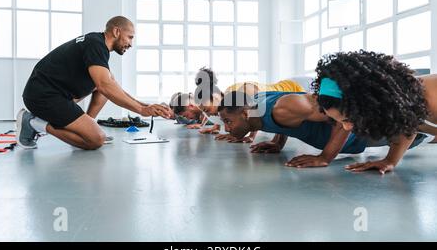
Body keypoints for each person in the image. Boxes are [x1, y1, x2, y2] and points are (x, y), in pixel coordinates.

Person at [18, 16, 171, 150]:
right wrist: (141, 111)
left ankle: (86, 129)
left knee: (106, 82)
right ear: (117, 32)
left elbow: (113, 86)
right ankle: (32, 122)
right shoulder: (95, 45)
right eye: (130, 37)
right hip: (42, 96)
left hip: (54, 94)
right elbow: (105, 86)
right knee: (96, 140)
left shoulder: (97, 44)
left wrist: (146, 106)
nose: (131, 43)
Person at [217, 91, 431, 165]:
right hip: (353, 136)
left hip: (360, 134)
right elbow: (280, 118)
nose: (227, 129)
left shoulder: (285, 107)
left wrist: (325, 157)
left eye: (228, 121)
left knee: (418, 131)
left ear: (244, 114)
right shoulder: (256, 105)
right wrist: (277, 142)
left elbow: (344, 114)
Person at [313, 50, 436, 174]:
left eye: (347, 119)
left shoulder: (433, 95)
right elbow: (408, 126)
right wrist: (390, 161)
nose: (346, 127)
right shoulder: (405, 100)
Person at [170, 68, 305, 142]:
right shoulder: (226, 102)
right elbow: (223, 113)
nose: (208, 114)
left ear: (216, 97)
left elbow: (256, 112)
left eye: (207, 110)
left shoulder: (242, 92)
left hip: (298, 87)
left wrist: (250, 136)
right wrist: (216, 127)